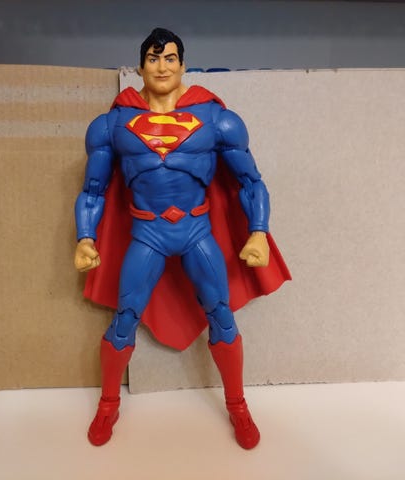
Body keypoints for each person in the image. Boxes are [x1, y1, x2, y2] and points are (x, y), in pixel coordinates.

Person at [74, 27, 290, 449]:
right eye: (153, 59)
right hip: (147, 232)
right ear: (140, 67)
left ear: (183, 65)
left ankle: (238, 405)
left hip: (196, 231)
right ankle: (108, 404)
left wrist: (259, 232)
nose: (162, 67)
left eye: (170, 58)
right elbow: (93, 191)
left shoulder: (217, 119)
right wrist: (85, 237)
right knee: (124, 320)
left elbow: (251, 182)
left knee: (221, 316)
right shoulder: (112, 125)